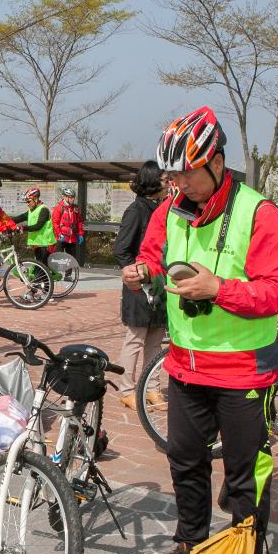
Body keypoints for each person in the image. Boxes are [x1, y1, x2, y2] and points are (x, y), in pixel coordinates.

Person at [122, 106, 278, 554]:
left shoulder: (257, 212)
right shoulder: (168, 210)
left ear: (217, 161)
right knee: (185, 461)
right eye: (171, 173)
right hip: (184, 365)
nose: (177, 182)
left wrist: (219, 289)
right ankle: (189, 544)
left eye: (186, 172)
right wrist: (141, 273)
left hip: (244, 370)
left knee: (245, 474)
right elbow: (151, 257)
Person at [113, 162, 169, 408]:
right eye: (166, 180)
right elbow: (121, 250)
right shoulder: (135, 210)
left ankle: (152, 389)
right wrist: (136, 275)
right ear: (153, 182)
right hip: (139, 287)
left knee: (156, 340)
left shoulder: (163, 209)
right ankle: (127, 390)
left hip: (159, 283)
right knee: (135, 339)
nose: (169, 184)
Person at [15, 187, 56, 265]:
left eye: (29, 201)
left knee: (41, 270)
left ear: (36, 199)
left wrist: (23, 228)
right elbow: (19, 218)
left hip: (45, 244)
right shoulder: (31, 211)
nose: (28, 204)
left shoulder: (44, 210)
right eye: (27, 202)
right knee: (39, 268)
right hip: (37, 244)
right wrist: (4, 220)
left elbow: (38, 226)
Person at [53, 187, 85, 264]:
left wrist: (80, 234)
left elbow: (79, 221)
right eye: (70, 197)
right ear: (65, 197)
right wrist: (59, 234)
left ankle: (68, 275)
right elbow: (55, 223)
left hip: (72, 237)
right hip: (62, 237)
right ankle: (54, 272)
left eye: (73, 197)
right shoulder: (59, 208)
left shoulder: (75, 208)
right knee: (57, 257)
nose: (72, 199)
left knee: (70, 258)